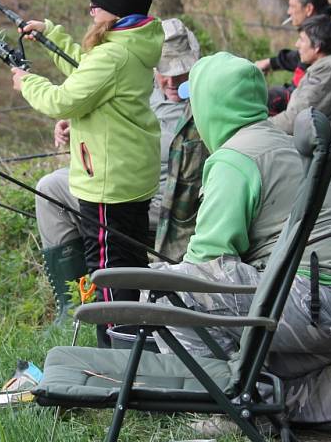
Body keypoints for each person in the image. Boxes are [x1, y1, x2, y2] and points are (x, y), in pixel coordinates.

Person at [149, 52, 331, 435]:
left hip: (315, 305)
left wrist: (158, 276)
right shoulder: (278, 140)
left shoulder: (234, 157)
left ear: (210, 105)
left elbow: (205, 263)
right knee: (238, 346)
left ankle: (227, 408)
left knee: (168, 293)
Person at [11, 0, 163, 346]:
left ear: (116, 5)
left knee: (107, 270)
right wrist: (53, 35)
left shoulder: (113, 55)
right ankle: (136, 340)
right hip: (129, 173)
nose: (91, 9)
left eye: (96, 2)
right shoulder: (132, 42)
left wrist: (28, 82)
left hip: (107, 184)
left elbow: (65, 99)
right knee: (128, 264)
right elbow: (88, 69)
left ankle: (116, 350)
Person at [34, 19, 206, 320]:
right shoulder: (142, 87)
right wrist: (76, 126)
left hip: (163, 203)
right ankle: (75, 300)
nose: (171, 82)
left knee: (95, 196)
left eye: (180, 73)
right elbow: (108, 112)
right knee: (50, 187)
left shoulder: (204, 101)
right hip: (125, 183)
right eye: (164, 72)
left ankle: (111, 306)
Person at [269, 15, 331, 134]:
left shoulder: (329, 72)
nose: (297, 44)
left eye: (301, 39)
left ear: (317, 46)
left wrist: (259, 127)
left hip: (310, 143)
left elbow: (294, 121)